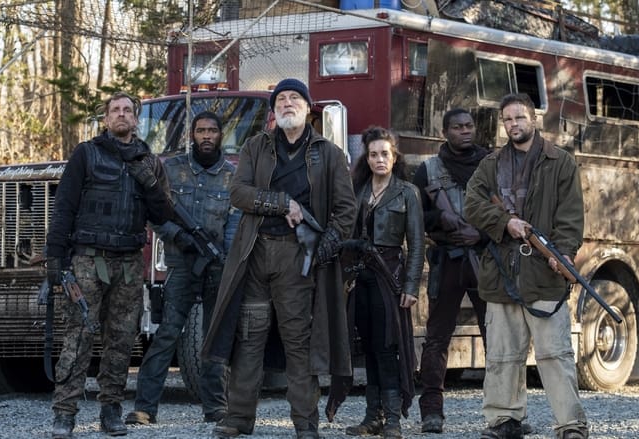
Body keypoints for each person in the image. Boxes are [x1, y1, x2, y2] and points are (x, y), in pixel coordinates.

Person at [202, 78, 357, 439]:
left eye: (294, 98)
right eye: (281, 99)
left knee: (298, 341)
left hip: (298, 258)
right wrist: (282, 203)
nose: (287, 103)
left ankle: (305, 423)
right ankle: (238, 418)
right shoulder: (256, 146)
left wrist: (325, 246)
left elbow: (347, 210)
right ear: (273, 110)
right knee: (249, 337)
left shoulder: (330, 154)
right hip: (255, 253)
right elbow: (238, 193)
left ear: (308, 106)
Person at [45, 91, 174, 439]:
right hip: (87, 260)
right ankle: (65, 413)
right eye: (115, 110)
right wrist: (55, 258)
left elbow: (164, 214)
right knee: (79, 336)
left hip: (129, 263)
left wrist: (151, 185)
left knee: (121, 341)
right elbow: (64, 207)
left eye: (127, 110)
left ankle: (111, 410)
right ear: (106, 119)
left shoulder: (150, 162)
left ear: (135, 119)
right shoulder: (86, 154)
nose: (121, 114)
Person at [464, 93, 588, 439]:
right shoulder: (491, 164)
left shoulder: (560, 162)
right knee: (503, 356)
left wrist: (563, 254)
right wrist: (505, 222)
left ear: (534, 119)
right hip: (502, 273)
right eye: (507, 119)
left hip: (544, 272)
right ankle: (504, 420)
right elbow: (471, 204)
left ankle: (570, 424)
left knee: (555, 354)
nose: (513, 124)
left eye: (519, 117)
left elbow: (570, 215)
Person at [125, 111, 240, 426]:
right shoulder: (172, 169)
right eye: (201, 131)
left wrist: (226, 259)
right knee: (167, 334)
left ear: (220, 135)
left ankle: (215, 408)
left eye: (212, 130)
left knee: (214, 338)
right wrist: (178, 237)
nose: (206, 136)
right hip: (181, 262)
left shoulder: (232, 176)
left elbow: (235, 223)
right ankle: (145, 408)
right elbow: (155, 212)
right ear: (192, 135)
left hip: (217, 265)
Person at [341, 126, 424, 439]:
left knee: (387, 347)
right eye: (373, 154)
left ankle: (392, 419)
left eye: (384, 154)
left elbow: (417, 244)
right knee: (369, 348)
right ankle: (372, 417)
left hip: (390, 278)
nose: (379, 159)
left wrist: (411, 287)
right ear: (367, 158)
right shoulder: (358, 190)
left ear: (394, 157)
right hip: (360, 278)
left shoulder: (407, 192)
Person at [411, 108, 489, 434]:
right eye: (457, 127)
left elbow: (508, 211)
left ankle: (505, 412)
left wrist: (479, 235)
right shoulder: (428, 170)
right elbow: (416, 216)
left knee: (497, 337)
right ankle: (432, 412)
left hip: (486, 259)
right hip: (447, 259)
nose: (465, 131)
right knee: (437, 338)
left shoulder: (491, 165)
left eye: (469, 125)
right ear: (445, 132)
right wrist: (441, 220)